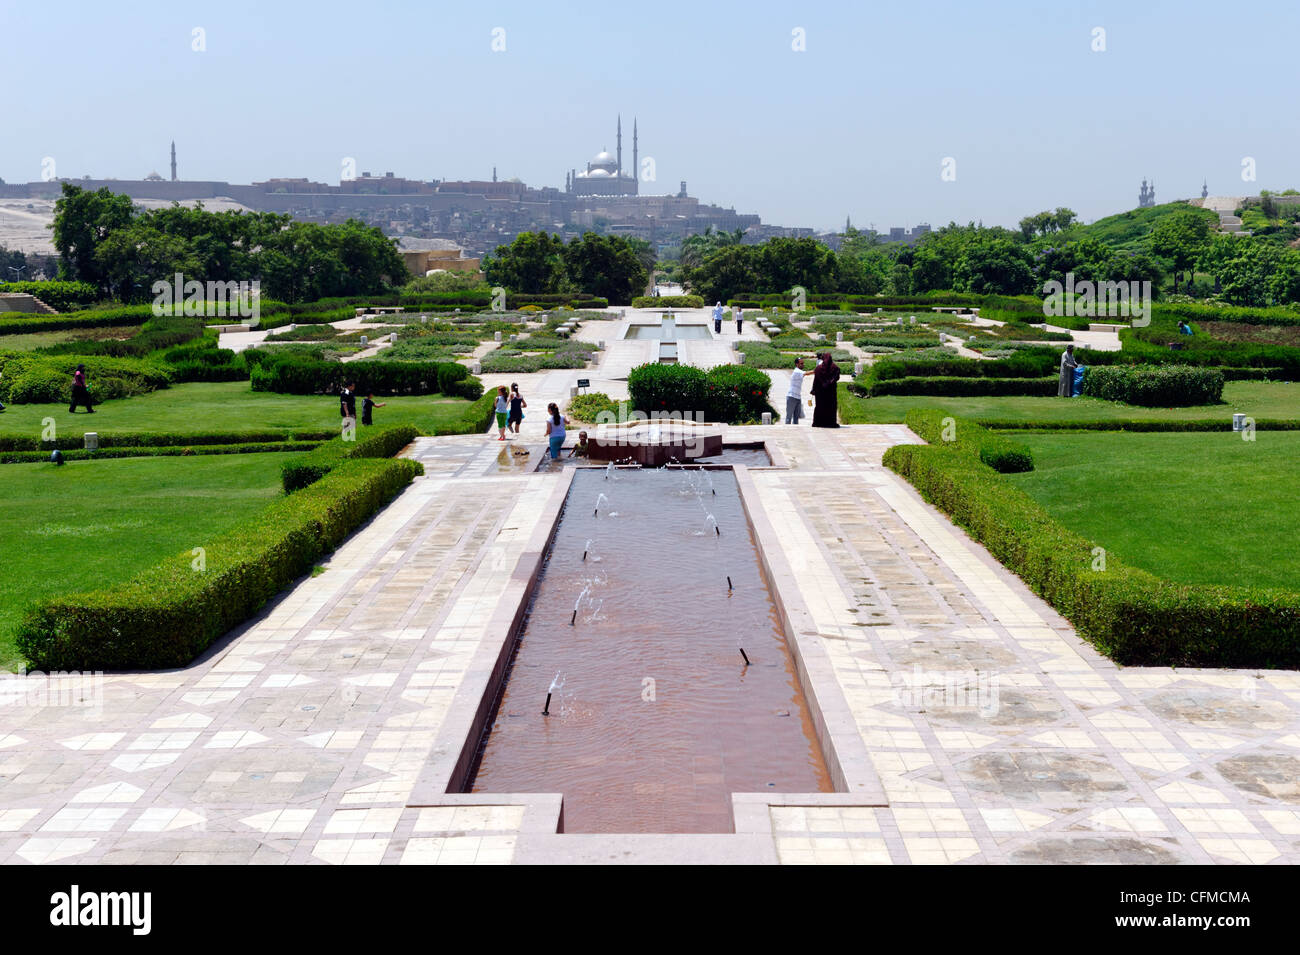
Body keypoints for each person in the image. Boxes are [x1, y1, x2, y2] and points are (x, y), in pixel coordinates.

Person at [810, 352, 840, 428]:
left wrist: (813, 389)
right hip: (831, 392)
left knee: (820, 406)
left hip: (820, 392)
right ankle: (831, 423)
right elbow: (836, 378)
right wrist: (829, 383)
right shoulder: (835, 368)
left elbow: (816, 380)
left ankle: (818, 422)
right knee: (831, 407)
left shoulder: (818, 369)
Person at [785, 356, 806, 425]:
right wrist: (817, 370)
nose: (803, 365)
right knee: (789, 417)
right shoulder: (797, 371)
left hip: (798, 397)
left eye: (803, 363)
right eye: (801, 363)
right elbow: (807, 373)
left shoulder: (800, 371)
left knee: (796, 418)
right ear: (796, 364)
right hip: (791, 397)